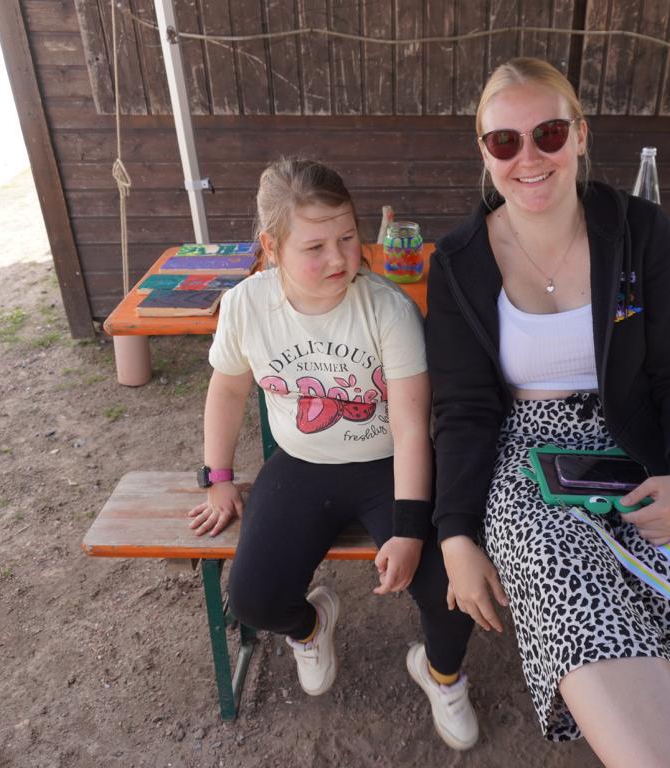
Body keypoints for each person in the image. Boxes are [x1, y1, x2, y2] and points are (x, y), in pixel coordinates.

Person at [425, 58, 670, 767]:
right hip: (524, 463)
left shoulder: (640, 231)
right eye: (505, 141)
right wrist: (456, 534)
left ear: (581, 135)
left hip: (644, 455)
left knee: (669, 625)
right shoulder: (459, 260)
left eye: (549, 133)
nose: (528, 157)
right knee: (570, 586)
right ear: (484, 152)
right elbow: (463, 411)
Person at [187, 158, 477, 751]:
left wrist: (408, 530)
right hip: (300, 466)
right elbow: (228, 391)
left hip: (389, 465)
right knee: (253, 599)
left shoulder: (387, 308)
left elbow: (411, 429)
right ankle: (311, 625)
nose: (340, 258)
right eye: (315, 246)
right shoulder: (245, 305)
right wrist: (218, 477)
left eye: (347, 237)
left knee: (448, 587)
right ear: (272, 247)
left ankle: (442, 674)